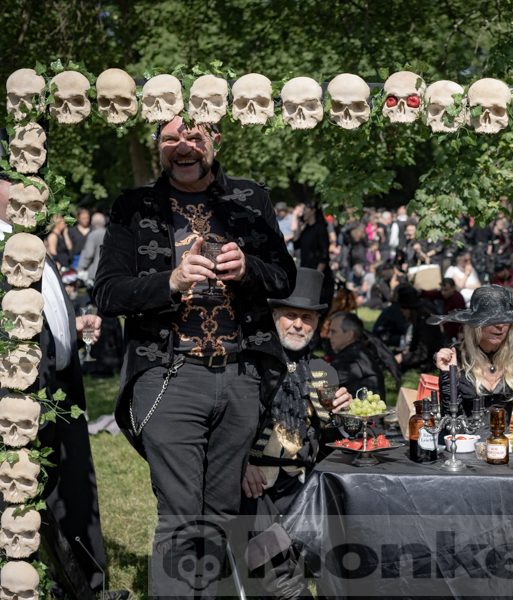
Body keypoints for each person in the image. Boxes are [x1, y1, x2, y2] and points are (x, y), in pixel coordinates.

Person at [92, 116, 296, 597]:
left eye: (194, 137)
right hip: (168, 375)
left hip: (241, 374)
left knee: (222, 512)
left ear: (215, 142)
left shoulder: (250, 199)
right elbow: (107, 293)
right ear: (158, 147)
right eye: (170, 139)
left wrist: (249, 269)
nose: (183, 146)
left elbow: (284, 276)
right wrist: (171, 282)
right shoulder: (134, 205)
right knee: (182, 515)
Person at [0, 175, 108, 593]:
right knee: (20, 494)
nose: (34, 190)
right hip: (19, 396)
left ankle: (84, 585)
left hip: (62, 385)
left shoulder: (35, 243)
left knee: (74, 489)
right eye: (17, 180)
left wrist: (72, 331)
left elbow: (40, 315)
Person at [240, 268, 351, 597]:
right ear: (275, 315)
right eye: (290, 315)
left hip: (301, 487)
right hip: (252, 485)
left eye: (307, 317)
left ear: (317, 323)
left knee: (343, 549)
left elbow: (334, 440)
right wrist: (238, 466)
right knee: (278, 567)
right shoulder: (247, 362)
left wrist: (342, 416)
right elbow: (221, 427)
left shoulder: (322, 371)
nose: (298, 325)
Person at [432, 285, 513, 430]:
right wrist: (447, 374)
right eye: (492, 320)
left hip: (503, 444)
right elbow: (448, 417)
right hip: (463, 443)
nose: (500, 326)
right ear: (476, 324)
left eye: (505, 319)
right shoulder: (456, 356)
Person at [328, 311, 387, 398]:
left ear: (349, 335)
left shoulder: (350, 358)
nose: (329, 335)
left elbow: (322, 380)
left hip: (361, 409)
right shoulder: (359, 352)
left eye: (333, 331)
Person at [393, 284, 443, 373]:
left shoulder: (425, 323)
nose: (403, 314)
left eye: (403, 311)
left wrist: (403, 358)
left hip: (428, 363)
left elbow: (423, 353)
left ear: (408, 309)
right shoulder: (421, 319)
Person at [293, 200, 334, 308]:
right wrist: (299, 227)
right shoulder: (307, 229)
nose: (303, 213)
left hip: (317, 274)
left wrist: (316, 277)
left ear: (313, 211)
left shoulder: (321, 228)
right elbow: (296, 244)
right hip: (306, 271)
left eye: (305, 209)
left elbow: (324, 256)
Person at [420, 277, 466, 342]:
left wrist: (460, 332)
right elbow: (432, 294)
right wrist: (421, 292)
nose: (443, 292)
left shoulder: (457, 298)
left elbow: (461, 317)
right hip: (448, 330)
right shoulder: (446, 295)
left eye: (446, 290)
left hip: (455, 332)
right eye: (442, 290)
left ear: (453, 288)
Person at [76, 212, 107, 287]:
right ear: (105, 222)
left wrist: (80, 268)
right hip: (108, 270)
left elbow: (89, 254)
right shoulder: (110, 234)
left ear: (92, 223)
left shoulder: (93, 235)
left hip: (95, 272)